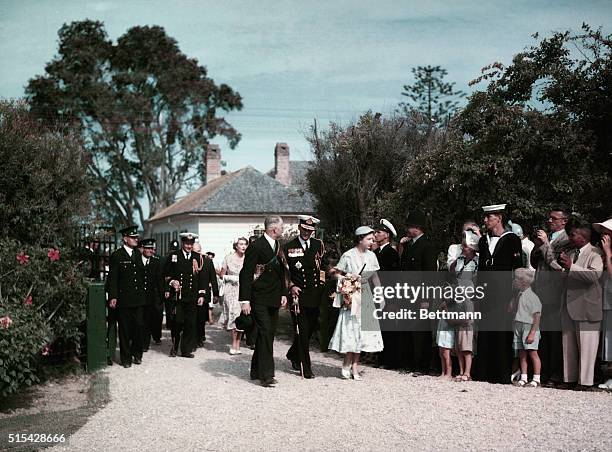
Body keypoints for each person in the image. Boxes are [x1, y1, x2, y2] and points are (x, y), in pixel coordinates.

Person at [474, 204, 523, 384]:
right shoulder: (483, 241)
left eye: (489, 217)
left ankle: (501, 374)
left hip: (504, 294)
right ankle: (483, 373)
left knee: (502, 333)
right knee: (485, 332)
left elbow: (518, 270)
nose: (486, 220)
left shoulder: (512, 239)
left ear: (499, 218)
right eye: (485, 217)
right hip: (486, 293)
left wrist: (515, 296)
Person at [239, 216, 288, 387]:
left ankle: (255, 369)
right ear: (274, 229)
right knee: (266, 332)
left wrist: (284, 293)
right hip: (258, 297)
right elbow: (245, 274)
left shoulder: (278, 246)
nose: (283, 230)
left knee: (266, 335)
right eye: (281, 227)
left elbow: (281, 272)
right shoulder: (256, 246)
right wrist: (245, 300)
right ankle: (266, 375)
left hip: (274, 297)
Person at [329, 226, 384, 380]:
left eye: (372, 239)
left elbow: (375, 278)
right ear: (360, 239)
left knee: (362, 333)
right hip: (351, 296)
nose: (372, 242)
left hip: (365, 296)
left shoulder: (372, 256)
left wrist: (380, 295)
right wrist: (346, 278)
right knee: (351, 330)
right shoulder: (348, 255)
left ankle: (355, 367)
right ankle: (347, 361)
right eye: (369, 239)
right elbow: (335, 272)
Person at [558, 220, 603, 390]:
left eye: (573, 234)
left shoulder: (595, 253)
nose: (570, 237)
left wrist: (571, 267)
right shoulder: (571, 252)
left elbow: (594, 276)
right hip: (569, 304)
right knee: (568, 344)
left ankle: (585, 382)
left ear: (584, 237)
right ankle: (569, 378)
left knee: (587, 345)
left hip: (587, 305)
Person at [531, 206, 571, 387]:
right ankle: (542, 370)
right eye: (549, 218)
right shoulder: (547, 238)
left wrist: (546, 244)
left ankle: (555, 372)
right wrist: (538, 246)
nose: (550, 221)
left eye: (554, 218)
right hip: (539, 289)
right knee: (542, 334)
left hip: (555, 291)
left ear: (564, 221)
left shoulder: (567, 240)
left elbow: (556, 265)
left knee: (554, 334)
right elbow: (535, 261)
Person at [284, 215, 325, 379]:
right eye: (304, 229)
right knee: (302, 331)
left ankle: (293, 353)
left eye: (310, 230)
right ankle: (306, 367)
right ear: (299, 228)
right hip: (298, 296)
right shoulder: (288, 247)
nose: (307, 233)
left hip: (315, 294)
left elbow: (322, 267)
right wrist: (291, 286)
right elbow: (285, 273)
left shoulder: (318, 245)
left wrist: (323, 284)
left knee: (311, 328)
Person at [399, 210, 438, 375]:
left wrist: (425, 298)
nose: (408, 229)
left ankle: (421, 365)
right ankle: (409, 363)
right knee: (408, 329)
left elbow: (429, 276)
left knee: (420, 330)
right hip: (408, 293)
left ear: (418, 228)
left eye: (410, 226)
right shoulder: (409, 245)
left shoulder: (427, 246)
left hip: (420, 294)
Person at [106, 226, 146, 368]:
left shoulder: (138, 254)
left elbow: (141, 276)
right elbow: (113, 279)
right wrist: (113, 296)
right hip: (124, 300)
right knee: (125, 330)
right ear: (125, 239)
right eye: (133, 237)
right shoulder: (117, 256)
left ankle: (137, 354)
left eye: (136, 237)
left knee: (139, 327)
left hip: (138, 299)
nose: (136, 239)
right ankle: (126, 358)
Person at [165, 232, 207, 358]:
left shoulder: (197, 257)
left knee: (190, 323)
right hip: (178, 297)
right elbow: (166, 274)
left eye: (191, 243)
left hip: (192, 296)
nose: (189, 246)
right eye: (187, 243)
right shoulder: (174, 256)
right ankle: (175, 345)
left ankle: (186, 350)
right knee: (177, 322)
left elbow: (201, 278)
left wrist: (201, 295)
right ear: (182, 243)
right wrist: (172, 282)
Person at [449, 230, 479, 382]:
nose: (463, 248)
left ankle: (468, 371)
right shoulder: (460, 259)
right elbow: (453, 273)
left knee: (467, 336)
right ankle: (460, 370)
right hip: (457, 297)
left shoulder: (477, 261)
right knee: (457, 337)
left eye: (466, 246)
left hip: (469, 300)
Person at [373, 219, 402, 369]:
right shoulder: (376, 252)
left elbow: (394, 278)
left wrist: (392, 299)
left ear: (387, 235)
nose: (376, 234)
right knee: (379, 326)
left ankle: (391, 360)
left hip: (388, 294)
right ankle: (380, 357)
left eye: (379, 232)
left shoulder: (391, 253)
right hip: (377, 293)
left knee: (389, 328)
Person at [510, 268, 542, 387]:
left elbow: (537, 316)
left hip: (529, 326)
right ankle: (523, 377)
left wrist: (533, 333)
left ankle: (536, 378)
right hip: (519, 324)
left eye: (517, 279)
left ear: (524, 281)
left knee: (533, 352)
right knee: (522, 353)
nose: (515, 281)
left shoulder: (532, 297)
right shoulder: (519, 295)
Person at [219, 237, 248, 354]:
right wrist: (231, 278)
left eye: (245, 244)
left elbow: (254, 274)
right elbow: (222, 274)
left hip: (243, 291)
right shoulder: (228, 258)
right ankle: (233, 344)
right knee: (234, 316)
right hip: (231, 291)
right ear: (236, 245)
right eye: (241, 244)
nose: (243, 246)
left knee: (242, 317)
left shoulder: (248, 259)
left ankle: (238, 344)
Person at [593, 218, 612, 390]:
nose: (604, 236)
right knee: (608, 340)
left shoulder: (608, 253)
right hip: (606, 301)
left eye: (607, 233)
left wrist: (608, 253)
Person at [192, 242, 219, 347]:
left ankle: (200, 336)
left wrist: (216, 294)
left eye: (198, 251)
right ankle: (193, 338)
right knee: (192, 317)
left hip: (204, 293)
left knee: (201, 318)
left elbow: (213, 278)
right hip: (192, 293)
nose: (196, 253)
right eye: (194, 251)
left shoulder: (207, 261)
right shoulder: (189, 260)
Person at [140, 238, 165, 351]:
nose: (150, 250)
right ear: (142, 249)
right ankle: (144, 343)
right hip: (141, 296)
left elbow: (160, 280)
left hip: (154, 296)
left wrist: (162, 295)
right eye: (148, 248)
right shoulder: (137, 261)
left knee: (154, 318)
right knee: (144, 321)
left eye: (152, 248)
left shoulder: (156, 262)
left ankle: (156, 336)